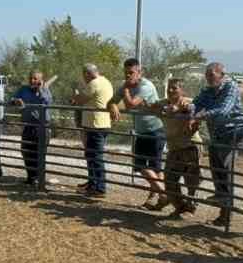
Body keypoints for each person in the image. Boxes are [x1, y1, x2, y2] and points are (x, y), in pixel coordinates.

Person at [189, 62, 243, 227]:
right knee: (216, 164)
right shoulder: (208, 90)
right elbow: (196, 103)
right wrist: (188, 109)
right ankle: (223, 208)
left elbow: (224, 110)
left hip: (235, 131)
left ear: (222, 75)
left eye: (212, 75)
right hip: (218, 134)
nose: (209, 78)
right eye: (207, 75)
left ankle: (225, 207)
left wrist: (202, 114)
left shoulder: (231, 87)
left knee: (225, 165)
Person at [111, 59, 167, 210]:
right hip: (142, 131)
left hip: (156, 129)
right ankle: (160, 196)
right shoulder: (125, 86)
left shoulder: (146, 86)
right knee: (145, 166)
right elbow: (111, 101)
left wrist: (126, 91)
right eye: (126, 73)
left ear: (139, 72)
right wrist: (113, 105)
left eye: (131, 73)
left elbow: (131, 104)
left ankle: (161, 195)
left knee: (149, 166)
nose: (128, 76)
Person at [149, 78, 200, 216]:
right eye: (169, 88)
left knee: (191, 179)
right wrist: (163, 110)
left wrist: (183, 109)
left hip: (190, 145)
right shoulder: (164, 102)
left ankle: (191, 204)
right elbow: (151, 106)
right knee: (170, 179)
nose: (170, 90)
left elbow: (196, 109)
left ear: (182, 90)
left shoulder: (189, 102)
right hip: (174, 146)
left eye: (174, 88)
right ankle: (181, 206)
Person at [71, 64, 114, 197]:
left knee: (95, 157)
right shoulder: (105, 81)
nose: (84, 79)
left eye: (84, 75)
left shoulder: (94, 83)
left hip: (95, 125)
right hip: (100, 123)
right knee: (91, 155)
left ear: (87, 74)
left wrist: (75, 96)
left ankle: (99, 187)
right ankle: (92, 183)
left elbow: (81, 99)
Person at [10, 71, 52, 187]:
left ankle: (39, 179)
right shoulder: (23, 89)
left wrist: (40, 90)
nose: (32, 81)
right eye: (30, 78)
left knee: (40, 153)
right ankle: (31, 177)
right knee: (26, 151)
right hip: (28, 125)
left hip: (42, 126)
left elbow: (47, 102)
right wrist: (15, 101)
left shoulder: (45, 90)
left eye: (35, 79)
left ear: (40, 80)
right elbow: (11, 99)